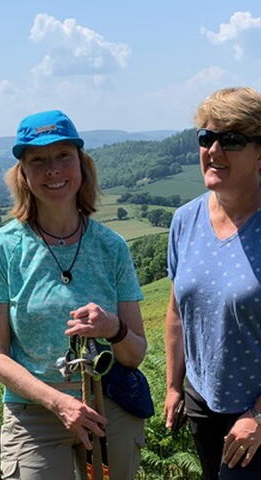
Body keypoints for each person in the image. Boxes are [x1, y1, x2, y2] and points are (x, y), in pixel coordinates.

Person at [0, 109, 147, 480]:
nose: (53, 170)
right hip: (35, 413)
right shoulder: (2, 248)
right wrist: (58, 402)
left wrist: (112, 328)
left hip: (109, 406)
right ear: (24, 174)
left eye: (63, 156)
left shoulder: (111, 247)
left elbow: (135, 353)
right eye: (38, 160)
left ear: (81, 164)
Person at [164, 87, 261, 479]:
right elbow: (176, 312)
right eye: (207, 137)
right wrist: (174, 386)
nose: (214, 150)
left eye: (231, 140)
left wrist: (258, 414)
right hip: (202, 400)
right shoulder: (185, 220)